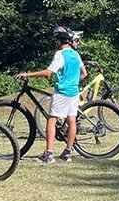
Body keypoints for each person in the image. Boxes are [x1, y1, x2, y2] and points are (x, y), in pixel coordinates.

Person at [16, 26, 87, 164]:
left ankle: (48, 154)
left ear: (59, 41)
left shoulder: (60, 55)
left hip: (62, 93)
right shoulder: (75, 54)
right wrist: (73, 82)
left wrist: (27, 74)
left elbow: (49, 72)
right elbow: (84, 74)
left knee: (52, 120)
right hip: (73, 92)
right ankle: (68, 152)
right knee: (71, 121)